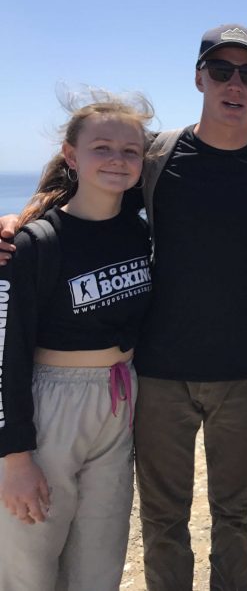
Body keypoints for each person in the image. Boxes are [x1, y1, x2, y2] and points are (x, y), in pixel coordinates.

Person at [131, 24, 247, 589]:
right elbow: (81, 197)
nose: (235, 83)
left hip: (244, 370)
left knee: (236, 516)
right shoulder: (156, 155)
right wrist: (19, 222)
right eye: (222, 70)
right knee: (163, 520)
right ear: (200, 78)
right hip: (159, 371)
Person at [0, 91, 154, 590]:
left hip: (119, 398)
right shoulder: (32, 244)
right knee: (29, 560)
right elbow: (6, 355)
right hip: (50, 404)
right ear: (72, 155)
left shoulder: (138, 231)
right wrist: (14, 457)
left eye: (131, 152)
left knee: (100, 559)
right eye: (102, 148)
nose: (117, 160)